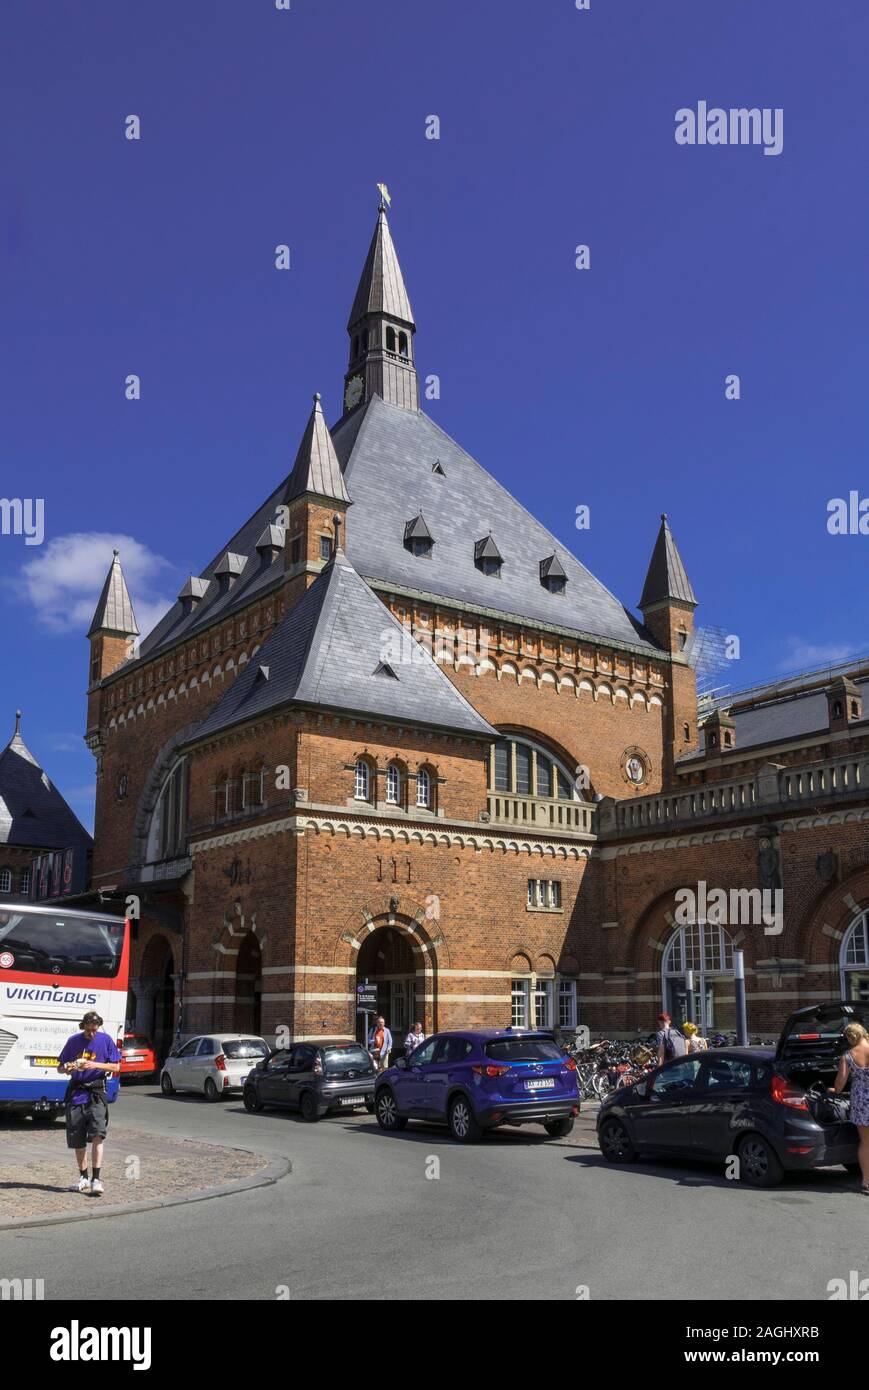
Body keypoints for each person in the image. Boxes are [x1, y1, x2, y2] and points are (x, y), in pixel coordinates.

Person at [57, 1010, 121, 1197]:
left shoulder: (106, 1040)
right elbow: (60, 1067)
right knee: (77, 1137)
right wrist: (67, 1067)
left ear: (98, 1027)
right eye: (88, 1031)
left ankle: (96, 1179)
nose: (91, 1034)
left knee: (97, 1135)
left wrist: (94, 1065)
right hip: (77, 1094)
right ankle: (83, 1177)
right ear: (83, 1026)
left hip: (96, 1093)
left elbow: (116, 1066)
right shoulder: (73, 1041)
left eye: (94, 1030)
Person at [829, 1021, 869, 1194]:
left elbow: (840, 1084)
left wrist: (832, 1090)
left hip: (861, 1101)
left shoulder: (848, 1056)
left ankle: (867, 1180)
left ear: (850, 1038)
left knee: (866, 1143)